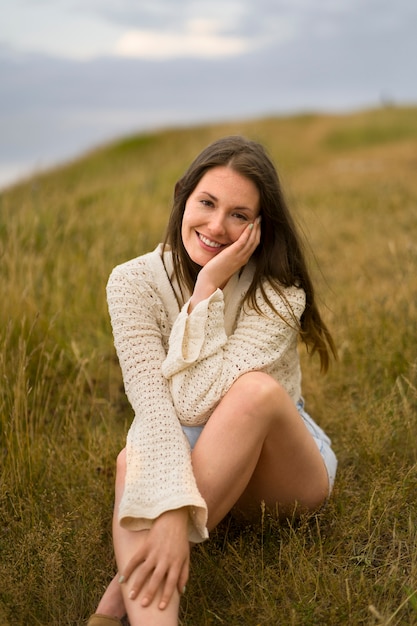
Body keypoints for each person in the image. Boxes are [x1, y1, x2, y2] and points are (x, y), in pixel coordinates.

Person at [87, 136, 338, 626]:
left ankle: (119, 592)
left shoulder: (278, 294)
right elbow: (161, 409)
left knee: (254, 391)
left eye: (239, 215)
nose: (217, 227)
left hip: (284, 468)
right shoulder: (132, 282)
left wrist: (205, 293)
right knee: (132, 457)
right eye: (206, 203)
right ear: (183, 196)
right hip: (205, 458)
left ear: (261, 227)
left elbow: (196, 402)